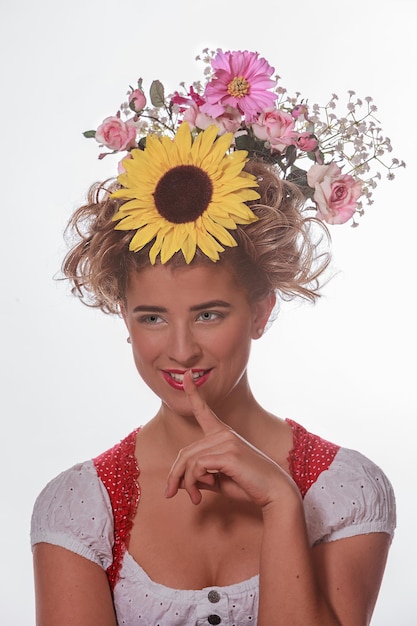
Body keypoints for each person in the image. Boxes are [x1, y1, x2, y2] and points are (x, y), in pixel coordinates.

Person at [31, 48, 397, 626]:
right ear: (124, 318)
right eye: (152, 317)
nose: (180, 349)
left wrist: (281, 502)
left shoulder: (343, 491)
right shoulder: (81, 508)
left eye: (208, 315)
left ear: (259, 313)